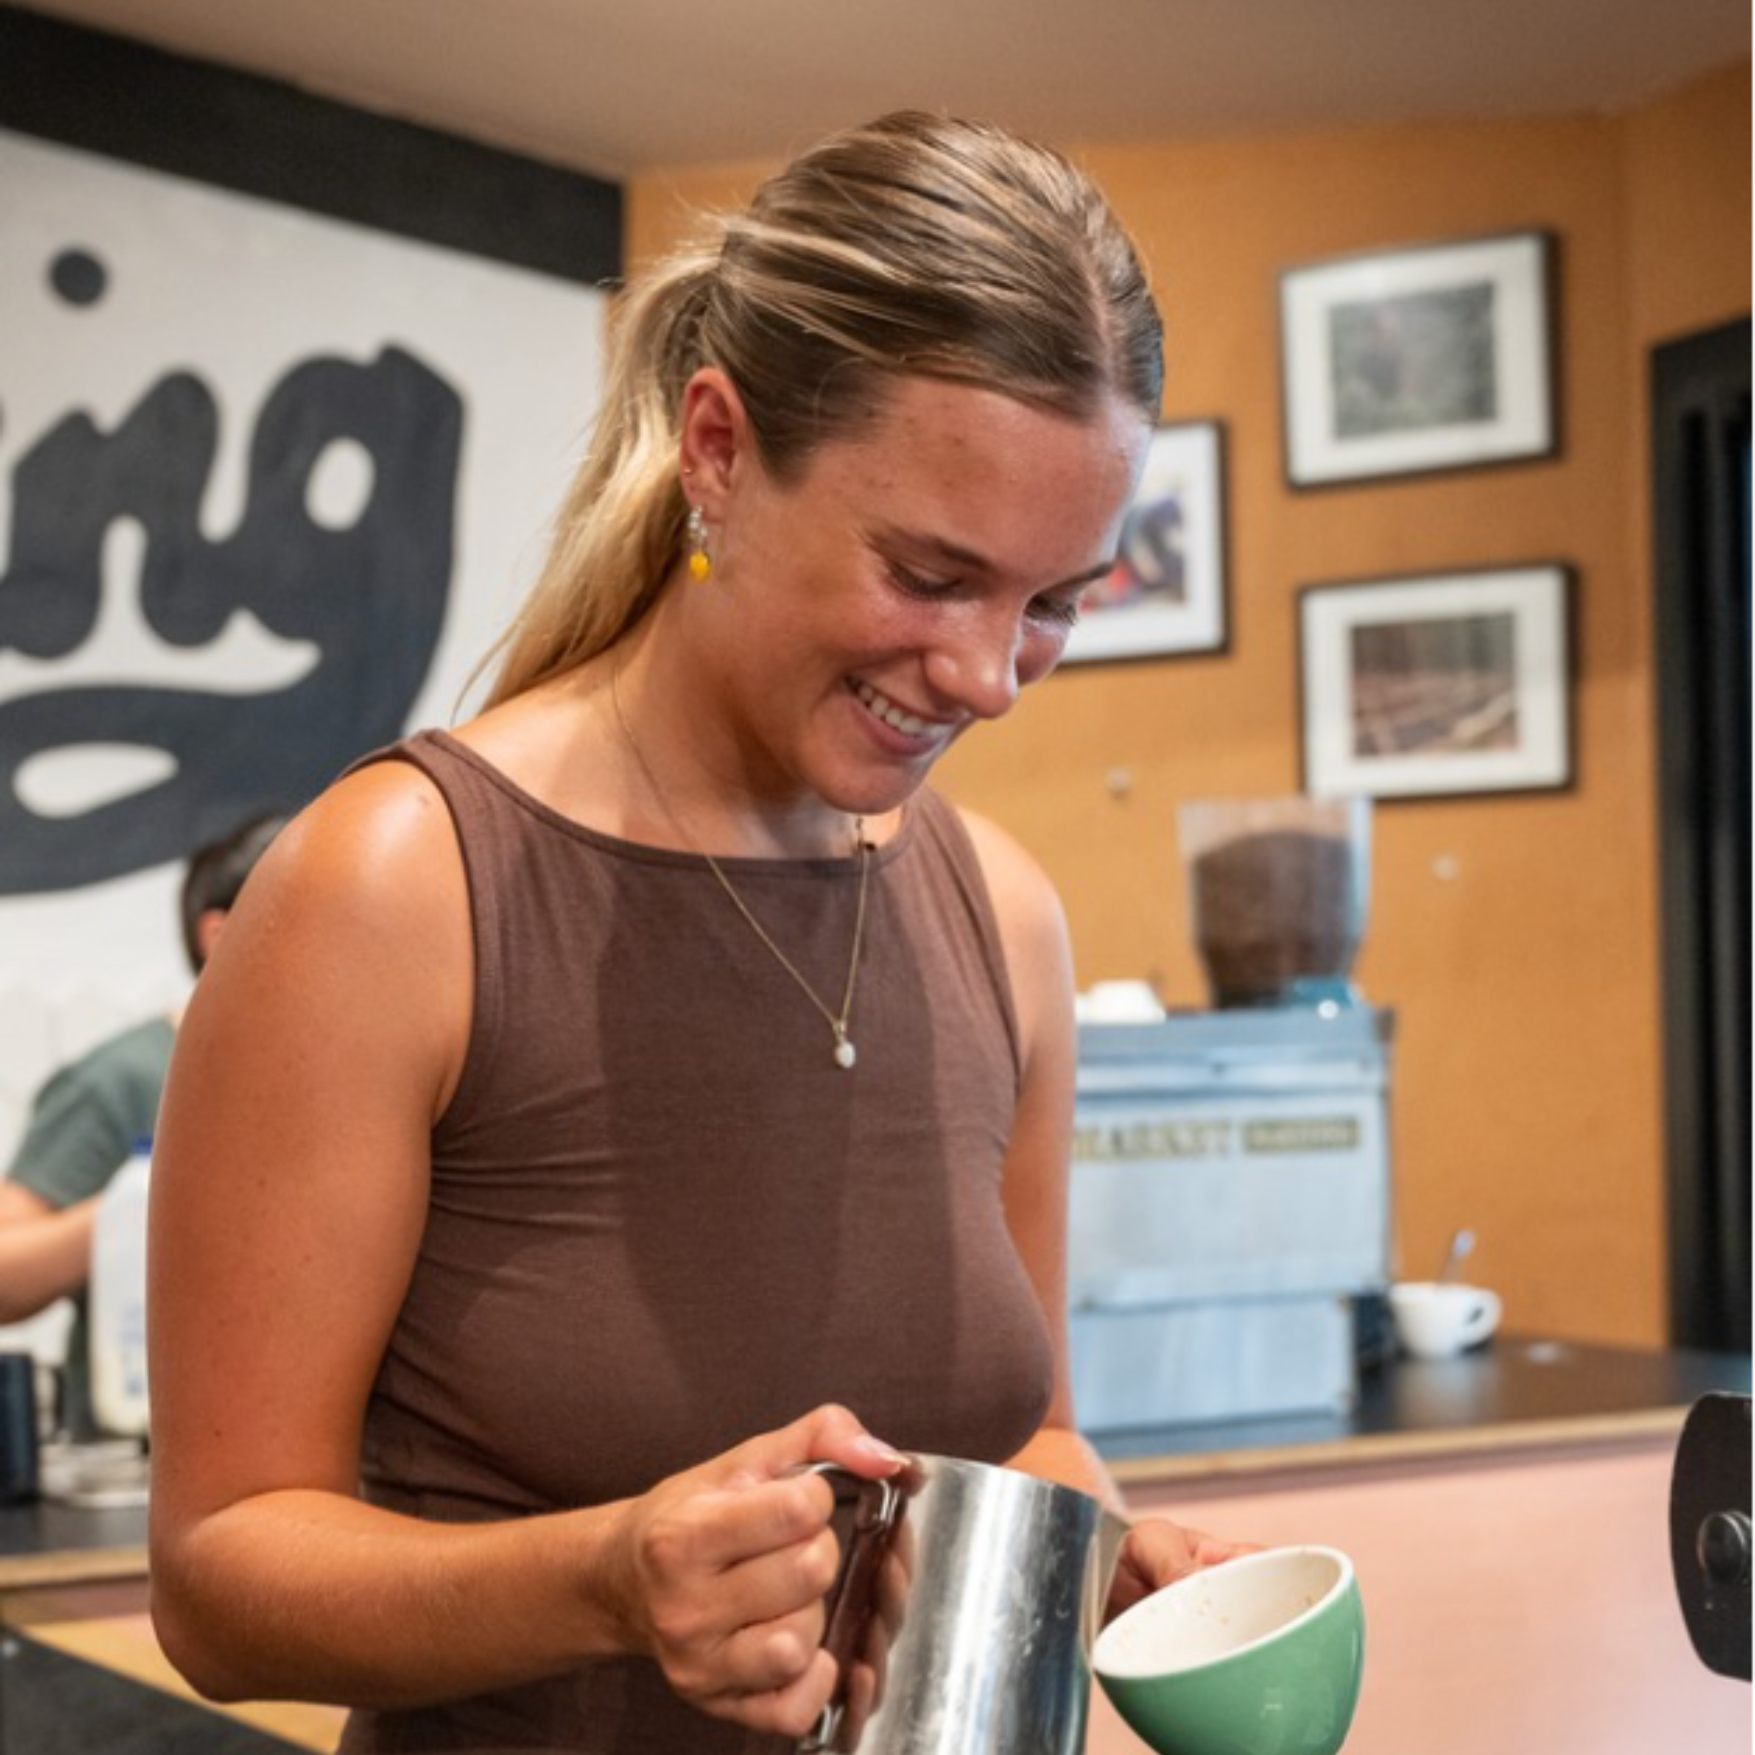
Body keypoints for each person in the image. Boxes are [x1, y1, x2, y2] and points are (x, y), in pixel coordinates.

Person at [146, 111, 1252, 1753]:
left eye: (1054, 602)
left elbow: (1029, 1441)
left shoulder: (1002, 912)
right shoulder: (399, 886)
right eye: (931, 573)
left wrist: (1115, 1557)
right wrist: (603, 1579)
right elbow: (220, 1579)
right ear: (720, 451)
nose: (986, 674)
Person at [0, 812, 285, 1438]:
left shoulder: (363, 1072)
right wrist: (138, 1204)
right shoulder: (123, 1077)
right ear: (221, 932)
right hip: (137, 1463)